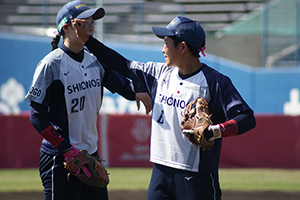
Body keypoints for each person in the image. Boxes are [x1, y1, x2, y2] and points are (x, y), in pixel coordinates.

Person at [73, 16, 256, 200]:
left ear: (183, 47)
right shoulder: (159, 74)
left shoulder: (214, 82)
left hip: (196, 175)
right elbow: (123, 64)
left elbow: (246, 117)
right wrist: (87, 40)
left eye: (166, 43)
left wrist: (214, 132)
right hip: (160, 172)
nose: (162, 49)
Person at [25, 1, 147, 199]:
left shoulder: (96, 60)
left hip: (90, 156)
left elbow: (124, 87)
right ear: (66, 27)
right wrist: (67, 149)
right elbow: (37, 116)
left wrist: (142, 91)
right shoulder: (51, 64)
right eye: (84, 22)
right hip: (61, 158)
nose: (91, 26)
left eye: (93, 21)